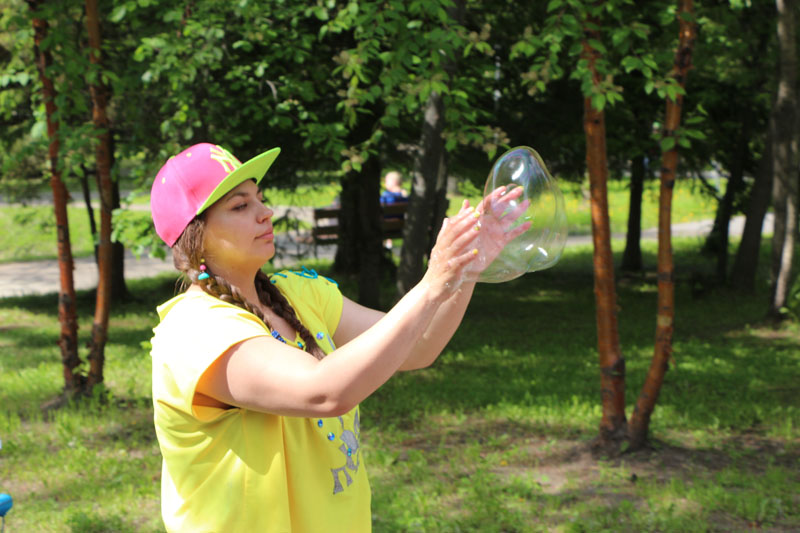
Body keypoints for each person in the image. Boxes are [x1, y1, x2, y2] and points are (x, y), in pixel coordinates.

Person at [148, 143, 528, 532]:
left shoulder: (301, 292)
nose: (265, 213)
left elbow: (419, 346)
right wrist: (432, 283)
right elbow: (324, 392)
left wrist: (464, 269)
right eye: (240, 206)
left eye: (260, 198)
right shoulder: (193, 330)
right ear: (196, 236)